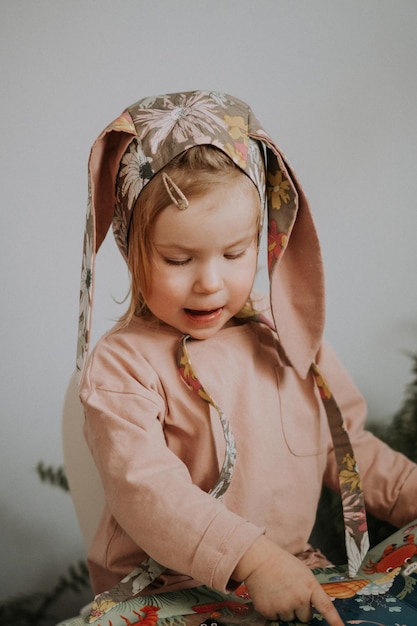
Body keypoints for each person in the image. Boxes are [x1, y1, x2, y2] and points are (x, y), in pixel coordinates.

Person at [77, 90, 417, 625]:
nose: (210, 282)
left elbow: (345, 448)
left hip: (288, 571)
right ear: (132, 248)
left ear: (262, 241)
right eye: (178, 258)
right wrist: (254, 560)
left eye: (235, 253)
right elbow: (148, 490)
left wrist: (411, 492)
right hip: (166, 593)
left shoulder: (285, 335)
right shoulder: (123, 366)